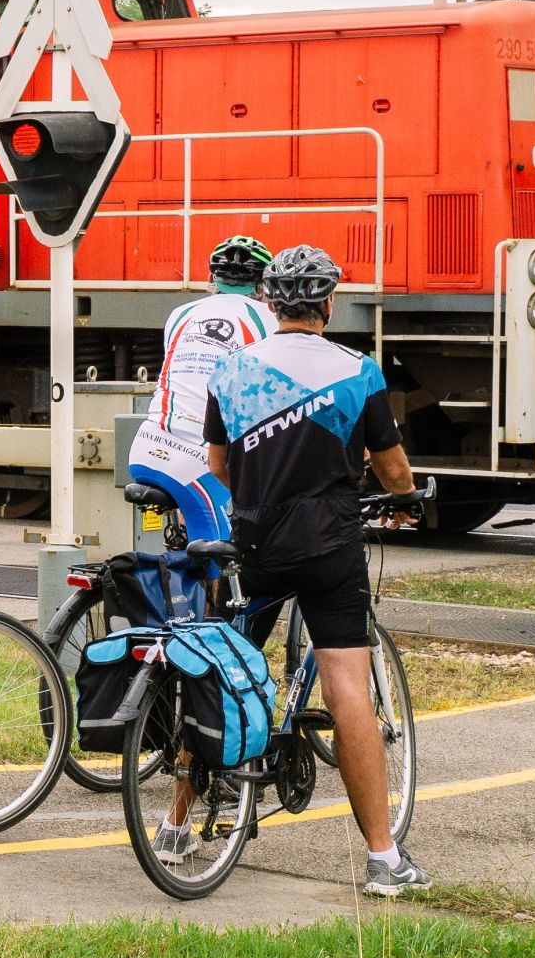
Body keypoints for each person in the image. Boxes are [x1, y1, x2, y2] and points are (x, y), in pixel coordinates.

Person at [176, 244, 429, 895]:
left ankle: (174, 825)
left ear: (270, 303)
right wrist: (404, 496)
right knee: (348, 690)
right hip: (329, 549)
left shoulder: (232, 372)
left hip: (254, 548)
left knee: (219, 670)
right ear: (328, 303)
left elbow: (218, 465)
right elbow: (394, 472)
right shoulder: (359, 370)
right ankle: (382, 858)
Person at [125, 235, 277, 533]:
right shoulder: (267, 320)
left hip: (145, 447)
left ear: (211, 279)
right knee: (224, 558)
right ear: (262, 287)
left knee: (194, 543)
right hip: (200, 458)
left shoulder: (180, 314)